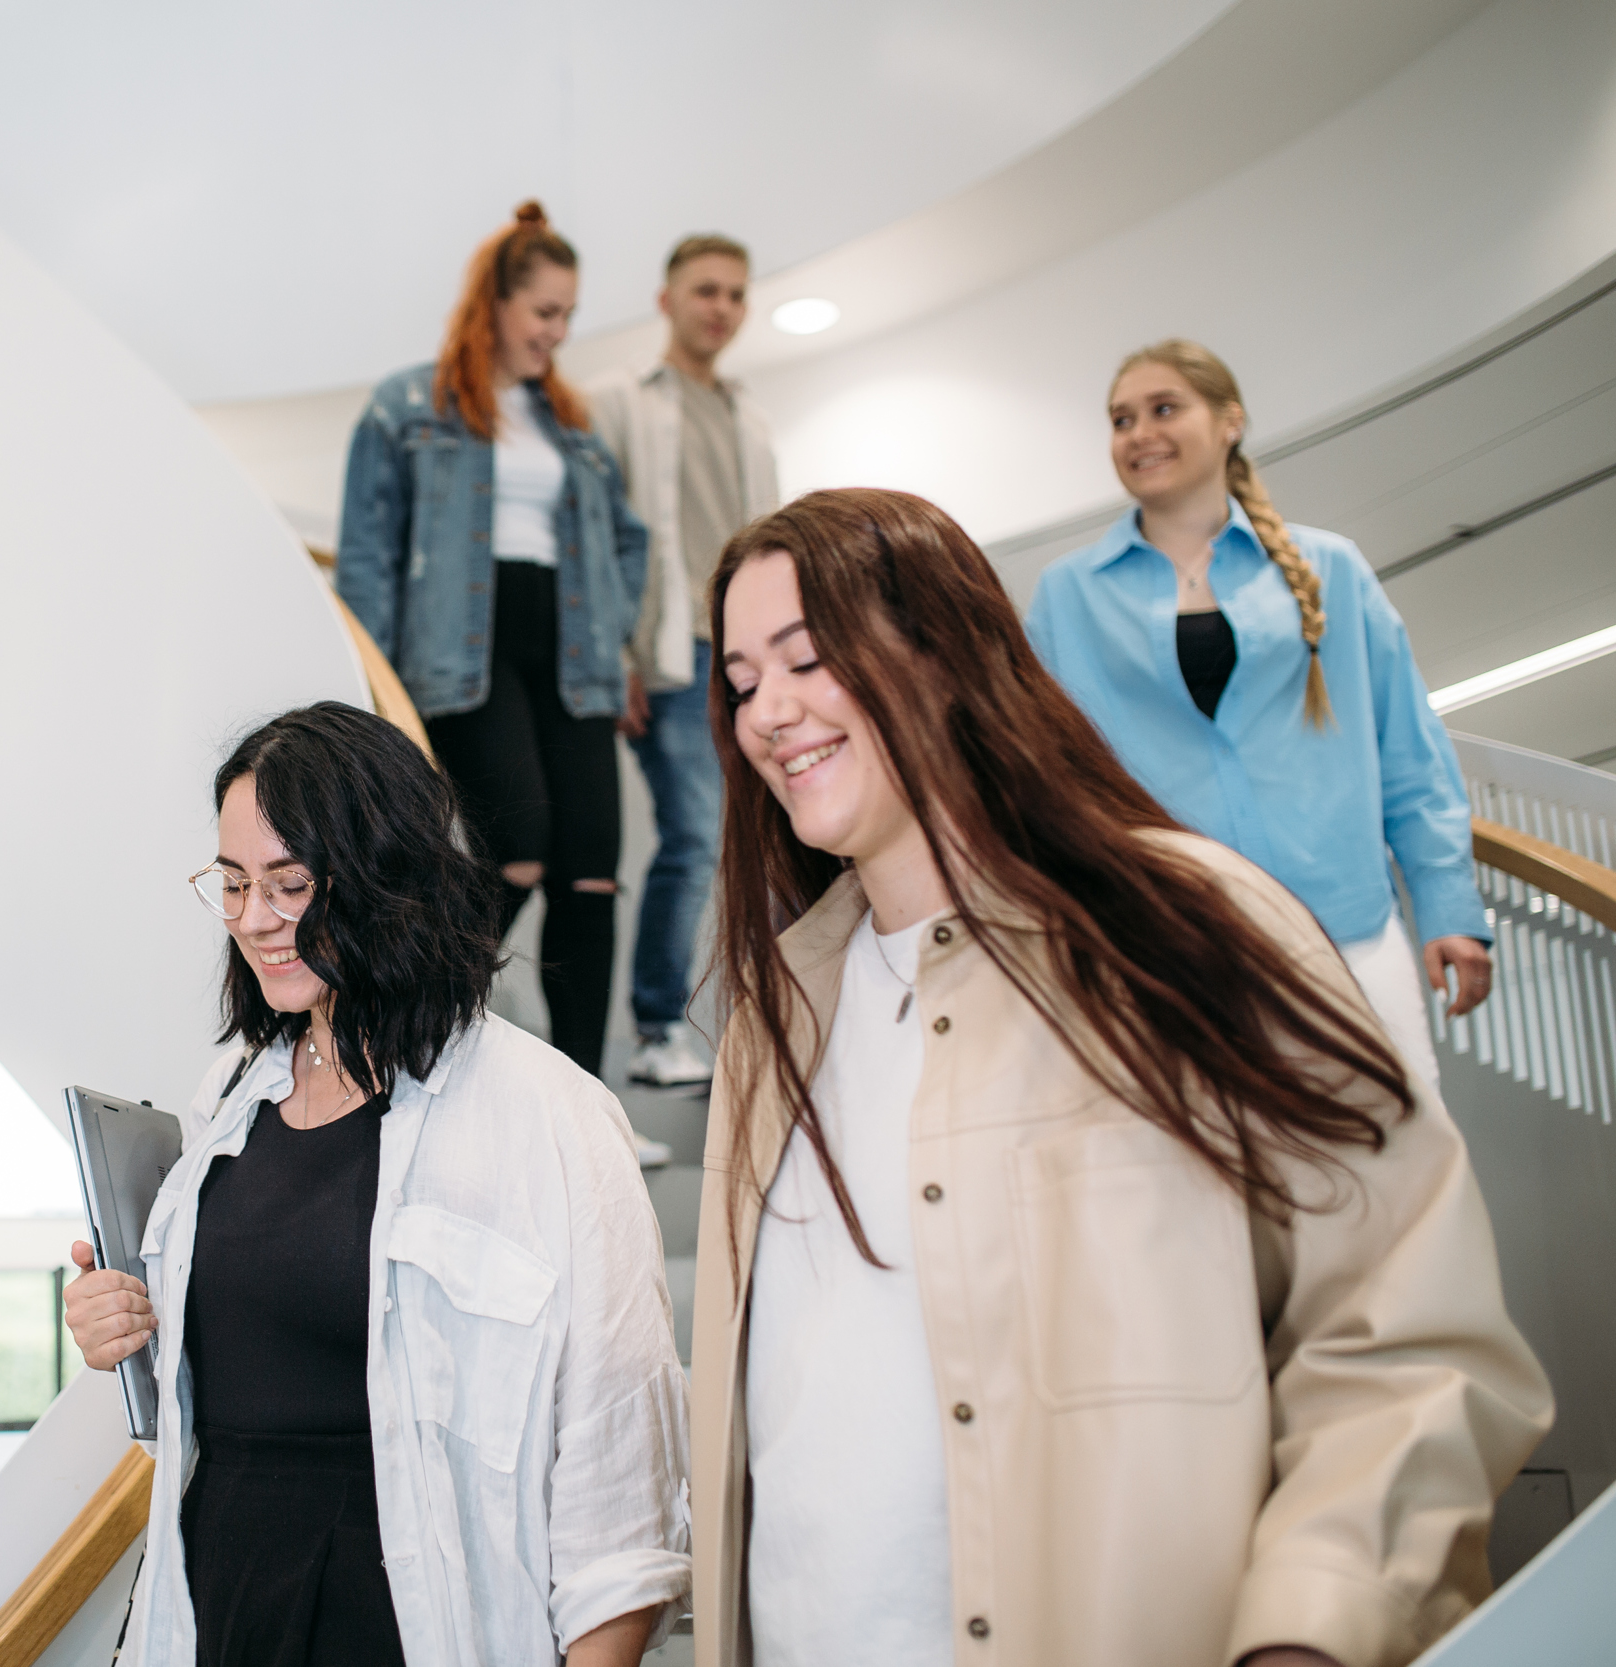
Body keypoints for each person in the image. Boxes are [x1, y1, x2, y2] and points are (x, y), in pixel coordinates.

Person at [691, 489, 1549, 1667]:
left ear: (945, 652)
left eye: (807, 657)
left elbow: (1405, 1338)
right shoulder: (773, 1019)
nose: (768, 713)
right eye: (740, 682)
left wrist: (1312, 1625)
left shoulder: (1191, 928)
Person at [63, 703, 688, 1667]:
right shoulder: (227, 1098)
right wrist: (120, 1316)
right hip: (218, 1612)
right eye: (231, 884)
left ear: (383, 875)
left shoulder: (547, 1114)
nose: (253, 920)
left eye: (289, 884)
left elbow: (621, 1496)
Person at [1026, 339, 1493, 1087]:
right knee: (1236, 1195)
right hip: (1178, 953)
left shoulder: (1330, 569)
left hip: (1348, 932)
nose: (1139, 433)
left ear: (1229, 421)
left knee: (1409, 1165)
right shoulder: (1065, 598)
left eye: (1164, 408)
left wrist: (1448, 903)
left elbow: (1407, 746)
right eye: (1121, 419)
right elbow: (1048, 785)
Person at [337, 201, 649, 1082]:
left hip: (576, 657)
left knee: (591, 872)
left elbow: (629, 539)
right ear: (497, 304)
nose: (558, 330)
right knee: (517, 847)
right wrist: (373, 689)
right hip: (464, 657)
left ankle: (592, 1103)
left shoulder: (572, 426)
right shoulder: (410, 403)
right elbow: (368, 554)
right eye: (545, 311)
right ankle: (405, 1032)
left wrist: (616, 631)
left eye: (568, 315)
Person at [589, 233, 781, 1090]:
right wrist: (619, 654)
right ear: (666, 300)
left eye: (737, 293)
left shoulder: (749, 416)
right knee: (696, 833)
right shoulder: (621, 402)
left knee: (767, 832)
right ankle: (659, 1026)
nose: (722, 307)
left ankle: (769, 1013)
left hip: (748, 650)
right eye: (706, 290)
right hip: (668, 654)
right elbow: (598, 541)